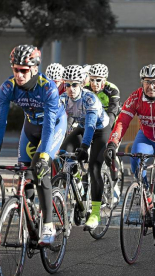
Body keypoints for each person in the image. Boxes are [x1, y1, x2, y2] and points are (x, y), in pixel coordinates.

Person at [0, 45, 67, 245]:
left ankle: (48, 225)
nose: (19, 75)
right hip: (30, 126)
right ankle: (30, 220)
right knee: (24, 175)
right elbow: (0, 124)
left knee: (39, 170)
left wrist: (45, 157)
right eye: (15, 69)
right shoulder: (8, 87)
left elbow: (48, 127)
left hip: (53, 126)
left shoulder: (48, 88)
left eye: (24, 70)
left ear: (35, 69)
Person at [104, 64, 155, 246]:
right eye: (147, 82)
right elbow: (122, 121)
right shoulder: (135, 97)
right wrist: (112, 143)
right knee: (135, 162)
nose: (151, 86)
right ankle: (147, 197)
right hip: (147, 136)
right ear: (142, 82)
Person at [59, 65, 110, 231]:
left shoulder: (90, 99)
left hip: (100, 130)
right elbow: (55, 122)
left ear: (81, 84)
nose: (71, 89)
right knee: (63, 152)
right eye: (67, 85)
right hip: (82, 127)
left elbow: (90, 126)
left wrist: (84, 147)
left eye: (74, 85)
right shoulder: (63, 99)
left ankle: (95, 213)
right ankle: (79, 188)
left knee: (94, 168)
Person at [88, 64, 121, 128]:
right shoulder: (86, 88)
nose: (94, 84)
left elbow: (112, 111)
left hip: (112, 116)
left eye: (98, 80)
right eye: (92, 80)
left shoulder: (112, 89)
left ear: (104, 80)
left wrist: (107, 128)